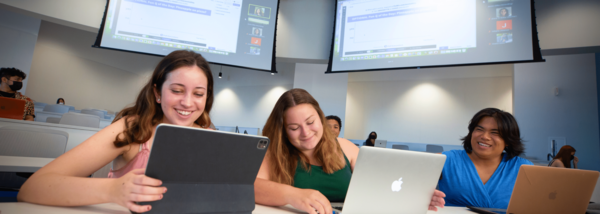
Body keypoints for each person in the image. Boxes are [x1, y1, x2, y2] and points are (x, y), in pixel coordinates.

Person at [17, 50, 214, 213]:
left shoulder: (211, 136)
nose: (187, 102)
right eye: (177, 91)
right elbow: (33, 187)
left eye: (198, 94)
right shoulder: (132, 130)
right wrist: (113, 190)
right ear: (157, 93)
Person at [254, 89, 445, 214]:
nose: (306, 133)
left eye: (311, 122)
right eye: (294, 128)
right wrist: (294, 195)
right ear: (283, 130)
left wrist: (413, 197)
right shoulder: (273, 151)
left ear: (320, 118)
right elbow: (251, 186)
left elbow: (381, 183)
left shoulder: (343, 146)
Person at [437, 108, 532, 209]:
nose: (485, 136)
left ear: (508, 140)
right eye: (479, 129)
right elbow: (418, 185)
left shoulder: (523, 168)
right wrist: (426, 196)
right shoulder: (447, 160)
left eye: (495, 132)